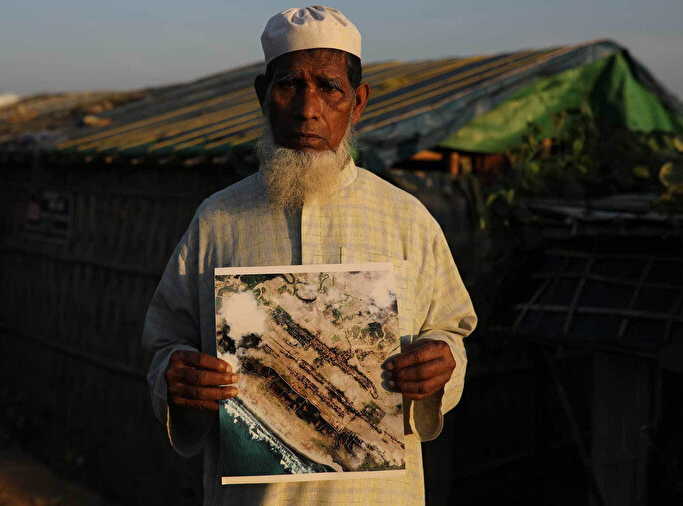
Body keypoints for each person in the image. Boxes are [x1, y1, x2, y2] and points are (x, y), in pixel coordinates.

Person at [142, 6, 477, 505]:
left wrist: (438, 365)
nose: (307, 108)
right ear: (263, 96)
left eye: (329, 87)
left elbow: (450, 330)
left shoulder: (408, 220)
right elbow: (164, 342)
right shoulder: (218, 219)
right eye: (289, 86)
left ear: (358, 102)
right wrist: (178, 375)